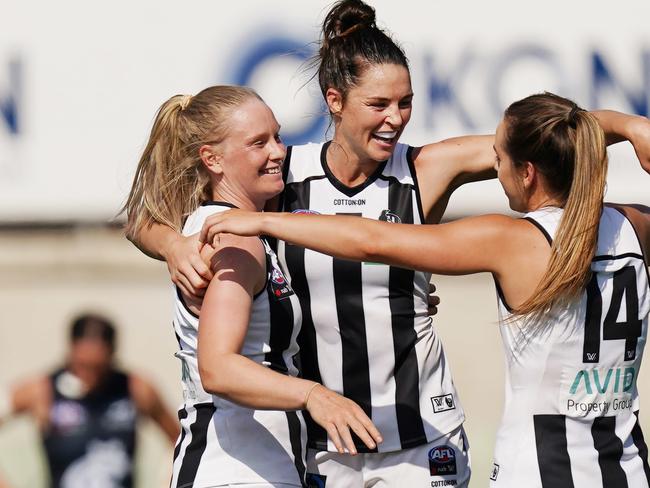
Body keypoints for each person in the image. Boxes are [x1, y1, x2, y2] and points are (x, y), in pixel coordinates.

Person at [128, 2, 650, 487]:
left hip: (422, 436)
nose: (395, 118)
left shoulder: (424, 169)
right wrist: (173, 244)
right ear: (335, 102)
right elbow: (142, 218)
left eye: (405, 103)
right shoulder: (282, 174)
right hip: (325, 443)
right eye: (378, 104)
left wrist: (627, 125)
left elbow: (541, 134)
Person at [123, 85, 381, 488]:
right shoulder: (236, 241)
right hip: (233, 471)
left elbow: (139, 223)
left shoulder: (236, 227)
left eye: (277, 136)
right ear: (212, 159)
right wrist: (314, 395)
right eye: (258, 143)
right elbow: (218, 368)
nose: (278, 151)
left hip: (252, 468)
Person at [1, 313, 179, 488]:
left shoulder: (136, 388)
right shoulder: (42, 390)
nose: (89, 375)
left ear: (111, 355)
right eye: (82, 365)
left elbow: (178, 438)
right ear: (71, 351)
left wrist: (167, 481)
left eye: (98, 367)